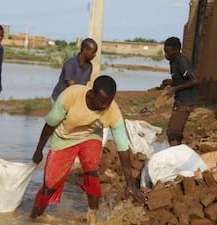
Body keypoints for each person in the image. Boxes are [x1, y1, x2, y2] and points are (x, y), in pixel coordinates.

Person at [30, 75, 144, 220]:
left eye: (108, 103)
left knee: (91, 176)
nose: (104, 107)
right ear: (92, 94)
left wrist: (130, 185)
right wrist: (39, 150)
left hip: (90, 137)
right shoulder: (71, 96)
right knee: (50, 184)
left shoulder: (112, 111)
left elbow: (123, 147)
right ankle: (34, 217)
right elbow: (50, 124)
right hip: (64, 139)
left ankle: (93, 217)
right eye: (101, 102)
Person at [163, 37, 198, 146]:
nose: (166, 55)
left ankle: (176, 157)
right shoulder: (173, 61)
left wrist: (174, 89)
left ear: (176, 51)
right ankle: (178, 154)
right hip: (180, 100)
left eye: (168, 52)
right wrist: (171, 84)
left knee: (172, 132)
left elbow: (194, 80)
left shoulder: (181, 61)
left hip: (185, 102)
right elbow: (181, 80)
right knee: (176, 133)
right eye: (165, 51)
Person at [50, 37, 97, 102]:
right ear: (85, 50)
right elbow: (72, 87)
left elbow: (83, 86)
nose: (94, 55)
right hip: (59, 99)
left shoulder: (89, 66)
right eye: (93, 52)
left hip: (72, 98)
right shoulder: (70, 64)